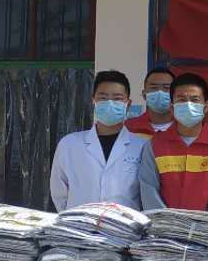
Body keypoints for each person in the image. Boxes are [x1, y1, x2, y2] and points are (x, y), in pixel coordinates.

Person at [137, 72, 208, 215]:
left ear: (206, 107)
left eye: (195, 100)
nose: (188, 105)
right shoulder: (154, 146)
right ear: (172, 107)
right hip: (164, 228)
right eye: (181, 100)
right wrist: (169, 224)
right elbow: (149, 192)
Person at [49, 70, 147, 211]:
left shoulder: (141, 146)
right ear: (93, 101)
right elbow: (59, 193)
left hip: (125, 223)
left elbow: (145, 193)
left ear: (128, 104)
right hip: (80, 222)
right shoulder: (69, 144)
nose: (110, 103)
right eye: (103, 98)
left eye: (117, 98)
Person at [124, 66, 177, 138]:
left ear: (175, 95)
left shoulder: (186, 128)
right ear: (144, 94)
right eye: (154, 88)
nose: (160, 92)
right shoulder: (128, 128)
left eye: (166, 88)